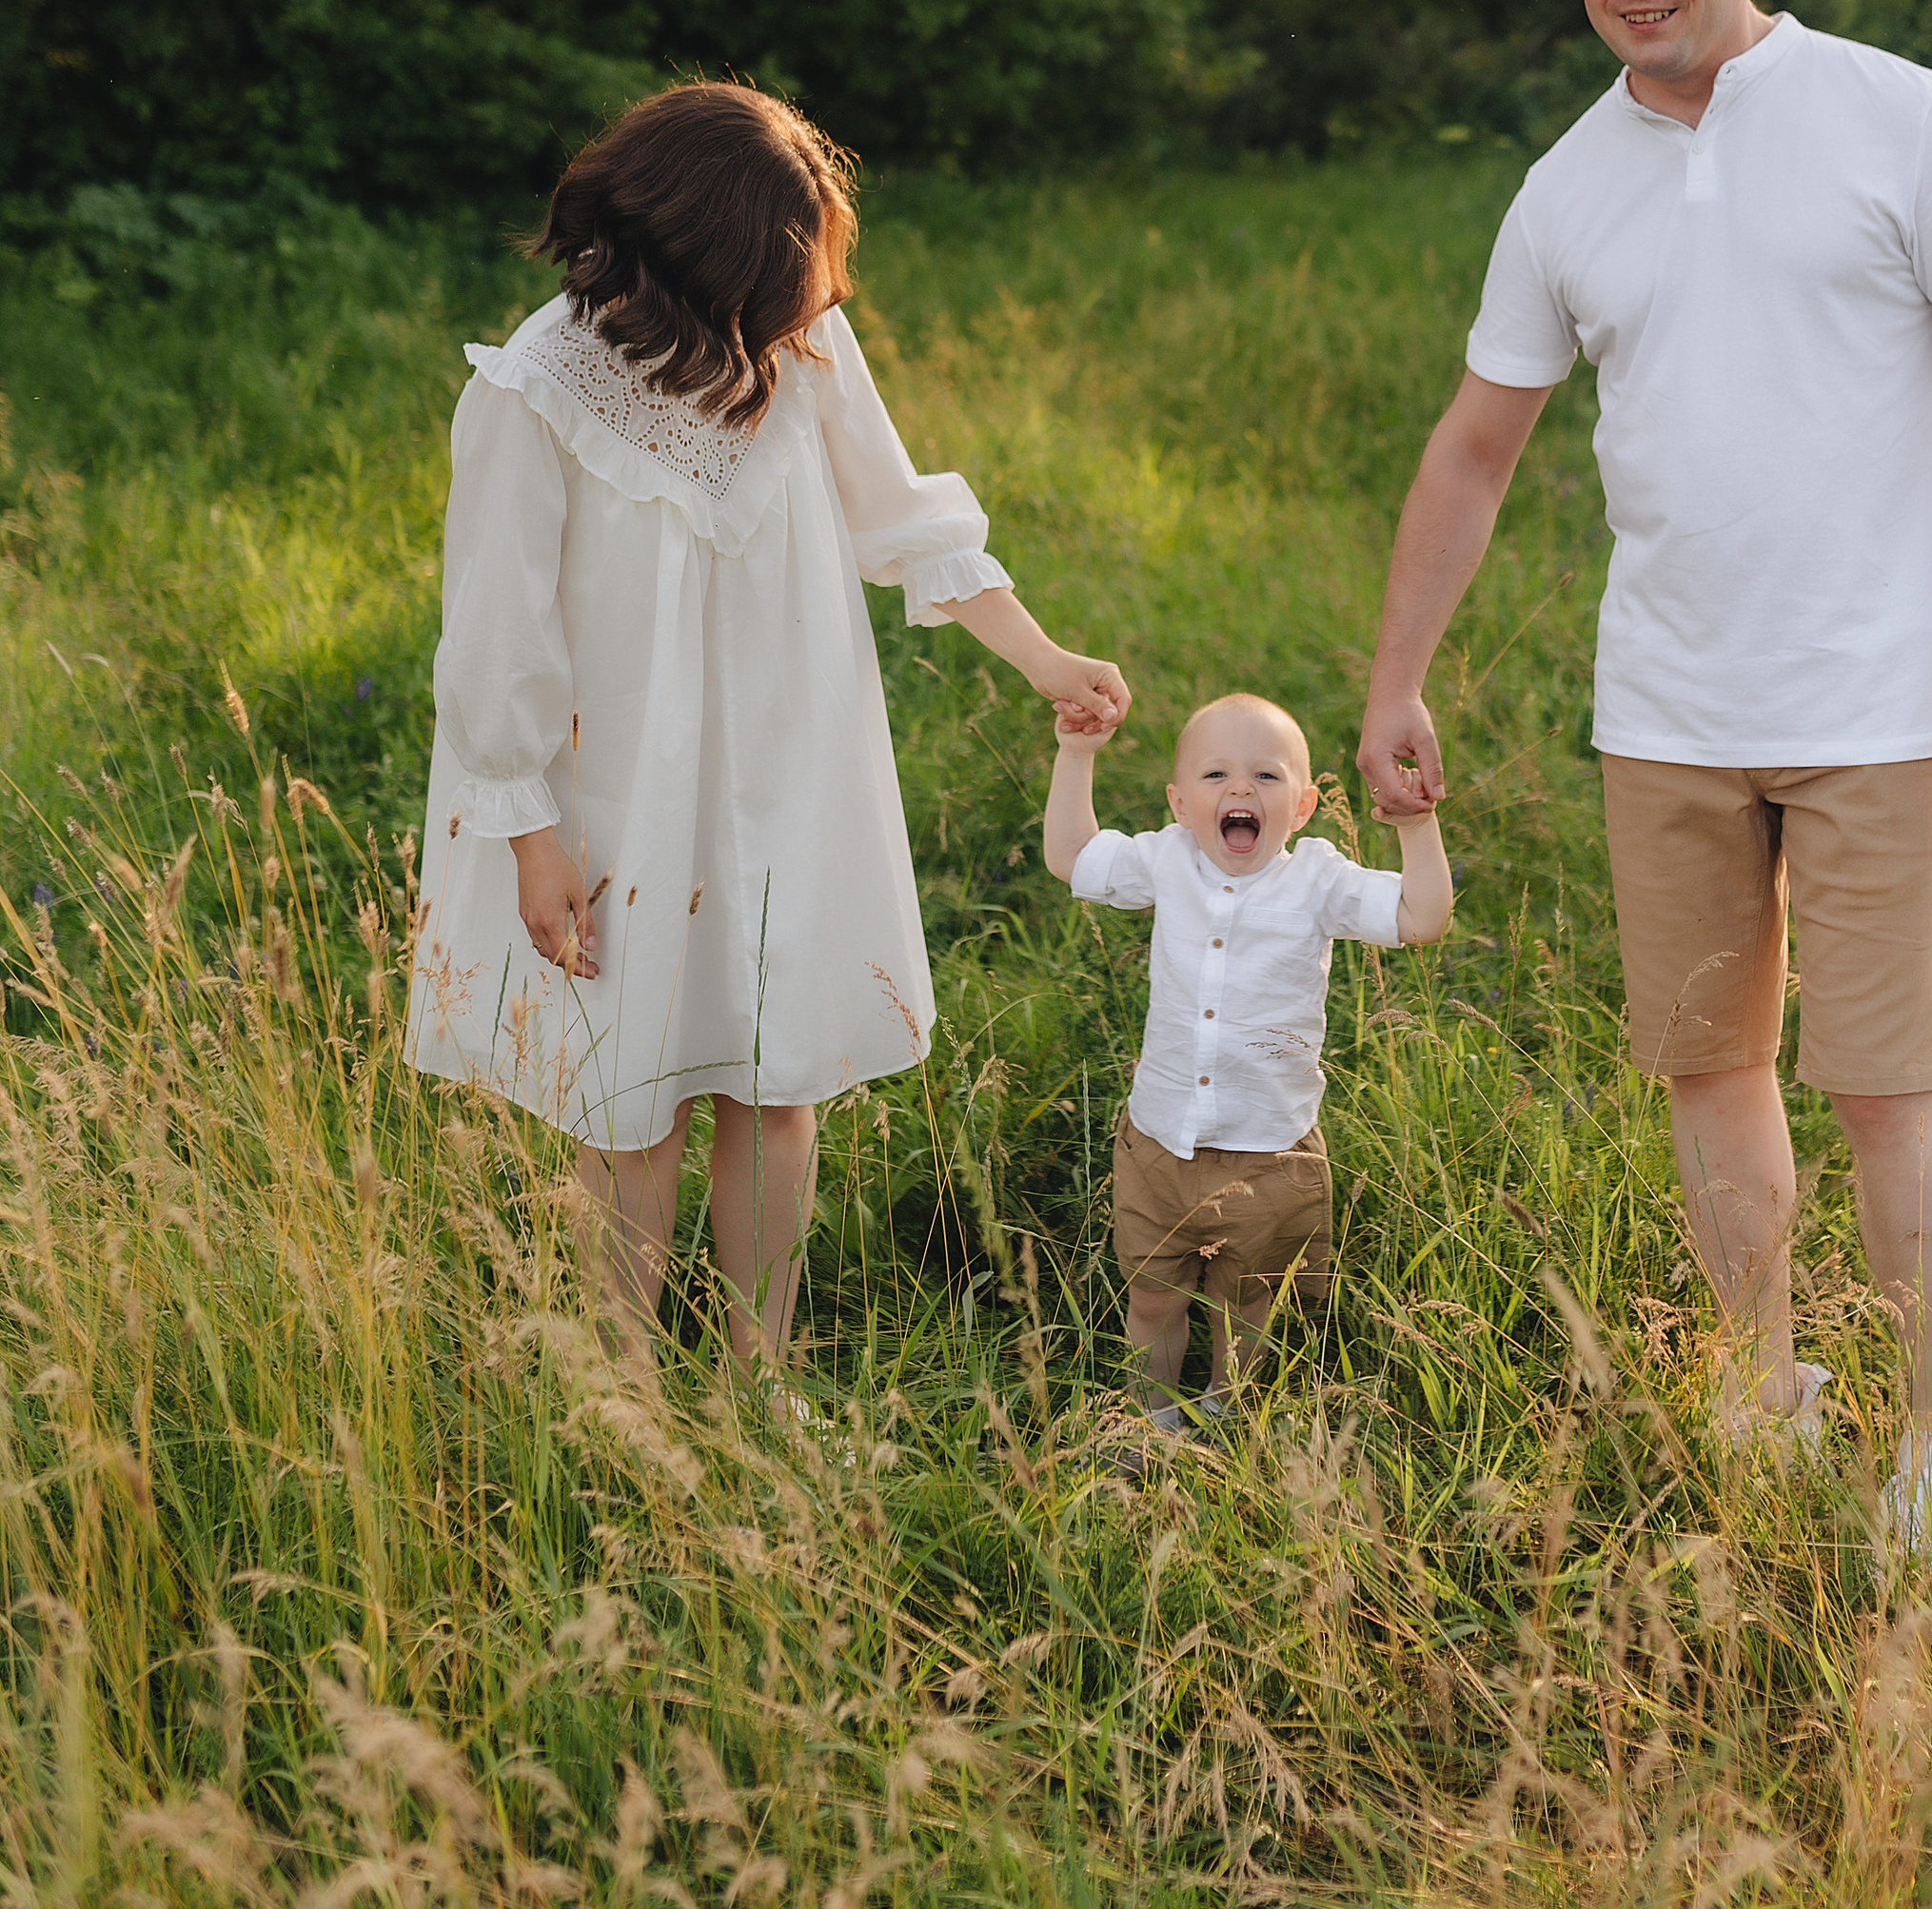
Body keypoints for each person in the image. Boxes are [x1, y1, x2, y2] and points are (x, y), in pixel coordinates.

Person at [1355, 0, 1932, 1568]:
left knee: (1884, 1086)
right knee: (1706, 1069)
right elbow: (1473, 452)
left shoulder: (1897, 117)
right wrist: (1396, 673)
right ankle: (1763, 1395)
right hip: (1667, 711)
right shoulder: (1564, 186)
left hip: (1882, 708)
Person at [407, 80, 1128, 1402]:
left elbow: (901, 515)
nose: (804, 301)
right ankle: (620, 1387)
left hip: (791, 761)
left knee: (774, 1075)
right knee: (630, 1101)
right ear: (686, 254)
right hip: (617, 789)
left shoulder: (796, 342)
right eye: (775, 272)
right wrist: (529, 838)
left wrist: (1044, 658)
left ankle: (760, 1376)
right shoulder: (532, 391)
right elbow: (497, 641)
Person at [1046, 689, 1453, 1462]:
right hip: (1161, 1141)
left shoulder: (1318, 880)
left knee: (1249, 1306)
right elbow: (1072, 856)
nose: (1240, 791)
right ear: (1178, 802)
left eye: (1266, 777)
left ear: (1301, 807)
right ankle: (1152, 1423)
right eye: (1215, 775)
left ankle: (1230, 1426)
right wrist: (1077, 754)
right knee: (1153, 1294)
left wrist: (1416, 825)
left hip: (1270, 1153)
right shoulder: (1167, 858)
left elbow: (1421, 916)